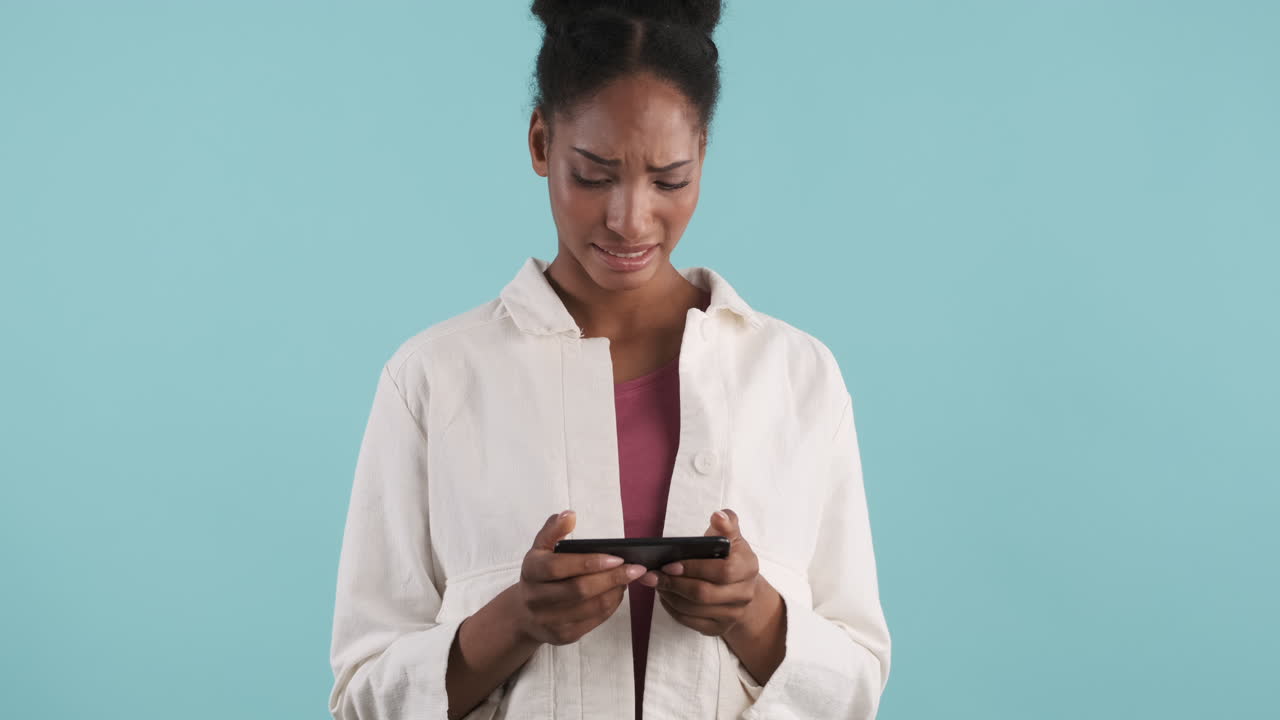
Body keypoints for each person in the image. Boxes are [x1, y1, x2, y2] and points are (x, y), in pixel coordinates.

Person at [327, 1, 891, 718]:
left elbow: (858, 681)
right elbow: (362, 695)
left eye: (670, 180)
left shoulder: (798, 377)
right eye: (594, 176)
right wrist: (514, 620)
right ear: (541, 143)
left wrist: (754, 612)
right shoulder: (433, 379)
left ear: (704, 154)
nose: (630, 220)